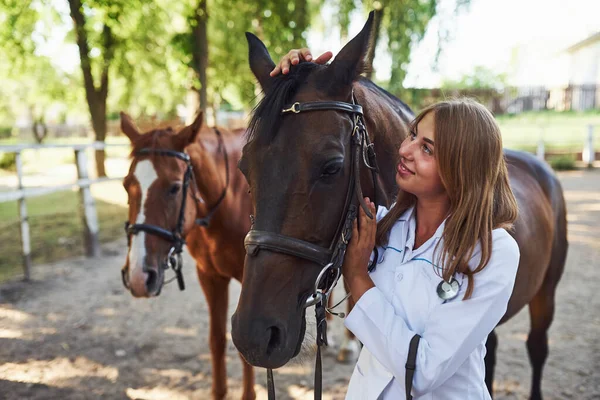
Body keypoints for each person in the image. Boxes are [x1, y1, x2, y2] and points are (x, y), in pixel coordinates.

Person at [271, 49, 521, 400]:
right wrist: (298, 78)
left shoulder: (493, 252)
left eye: (428, 149)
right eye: (412, 135)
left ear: (464, 167)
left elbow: (421, 373)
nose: (406, 150)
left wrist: (358, 278)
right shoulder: (381, 224)